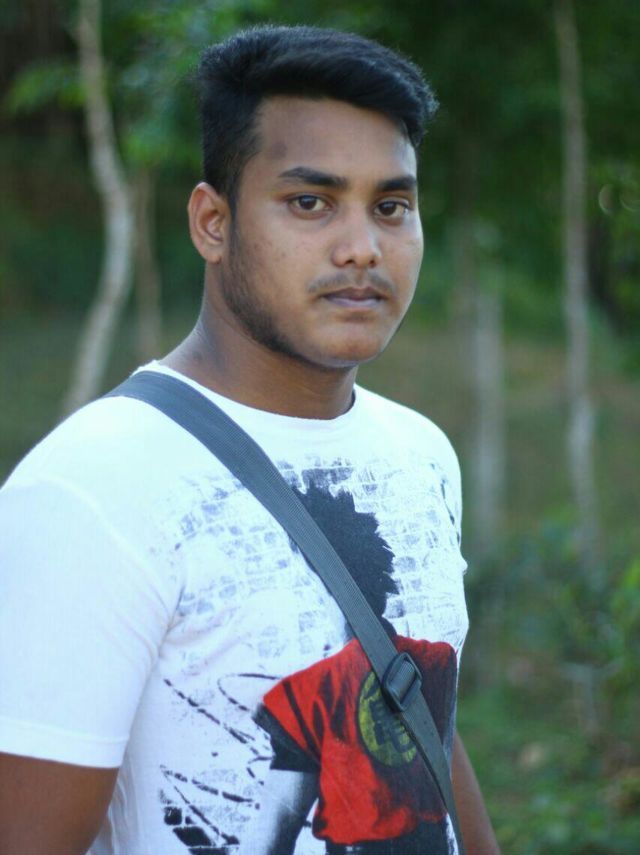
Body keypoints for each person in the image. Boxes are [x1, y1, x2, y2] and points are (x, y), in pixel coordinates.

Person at [0, 24, 500, 855]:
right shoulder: (92, 488)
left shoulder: (419, 454)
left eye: (391, 207)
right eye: (310, 202)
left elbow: (426, 725)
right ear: (212, 222)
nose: (361, 248)